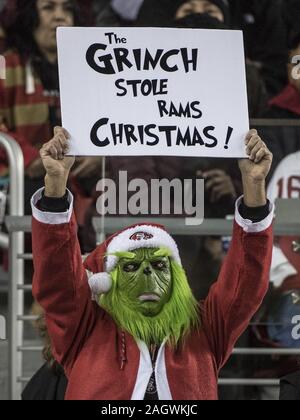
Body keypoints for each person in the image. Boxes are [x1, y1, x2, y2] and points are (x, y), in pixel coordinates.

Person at [31, 126, 274, 400]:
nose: (147, 272)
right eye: (131, 266)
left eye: (159, 265)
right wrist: (55, 185)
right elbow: (58, 279)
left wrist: (254, 188)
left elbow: (246, 283)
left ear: (178, 278)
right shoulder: (84, 330)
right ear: (108, 282)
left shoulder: (204, 329)